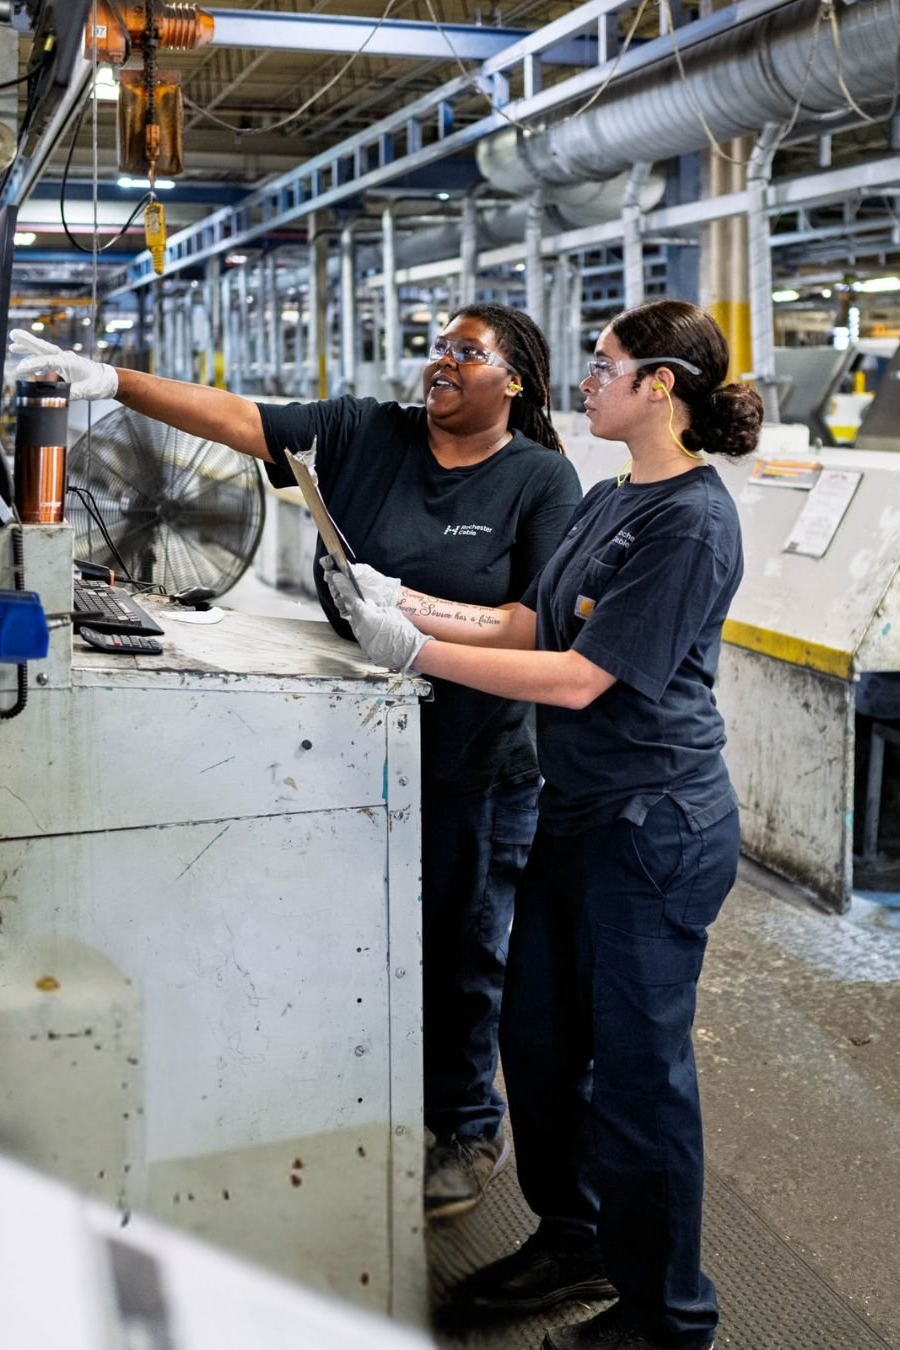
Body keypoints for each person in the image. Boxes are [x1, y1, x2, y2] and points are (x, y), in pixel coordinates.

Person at [9, 304, 583, 1220]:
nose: (440, 362)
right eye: (435, 344)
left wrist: (416, 615)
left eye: (466, 352)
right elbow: (240, 419)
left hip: (473, 763)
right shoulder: (368, 434)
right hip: (352, 748)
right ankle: (362, 1099)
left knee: (460, 952)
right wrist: (112, 382)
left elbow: (534, 623)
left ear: (514, 382)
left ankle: (468, 1123)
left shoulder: (542, 480)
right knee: (358, 941)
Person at [323, 299, 764, 1350]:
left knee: (639, 1077)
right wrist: (406, 600)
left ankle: (669, 1316)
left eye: (607, 367)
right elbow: (528, 619)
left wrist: (416, 655)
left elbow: (574, 679)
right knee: (538, 1038)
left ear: (662, 386)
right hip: (578, 815)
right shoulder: (611, 497)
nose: (588, 381)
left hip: (653, 829)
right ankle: (575, 1237)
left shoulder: (693, 522)